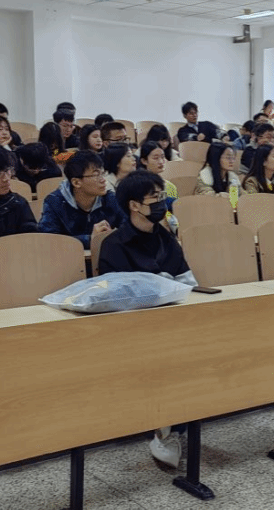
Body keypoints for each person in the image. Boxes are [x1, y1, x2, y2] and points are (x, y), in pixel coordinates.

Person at [97, 169, 198, 468]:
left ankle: (175, 424)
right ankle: (166, 428)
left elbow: (187, 281)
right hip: (135, 328)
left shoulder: (166, 238)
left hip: (174, 321)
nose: (161, 202)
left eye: (162, 195)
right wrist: (163, 284)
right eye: (154, 197)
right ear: (134, 205)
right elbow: (118, 296)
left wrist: (163, 285)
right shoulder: (114, 244)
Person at [38, 150, 126, 249]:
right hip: (68, 256)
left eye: (102, 173)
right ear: (76, 183)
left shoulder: (110, 198)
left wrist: (112, 236)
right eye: (96, 175)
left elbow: (128, 228)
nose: (103, 180)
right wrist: (90, 239)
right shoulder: (55, 202)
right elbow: (48, 239)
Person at [137, 141, 178, 227]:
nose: (161, 161)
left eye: (162, 157)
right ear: (144, 161)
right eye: (155, 158)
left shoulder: (170, 186)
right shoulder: (139, 184)